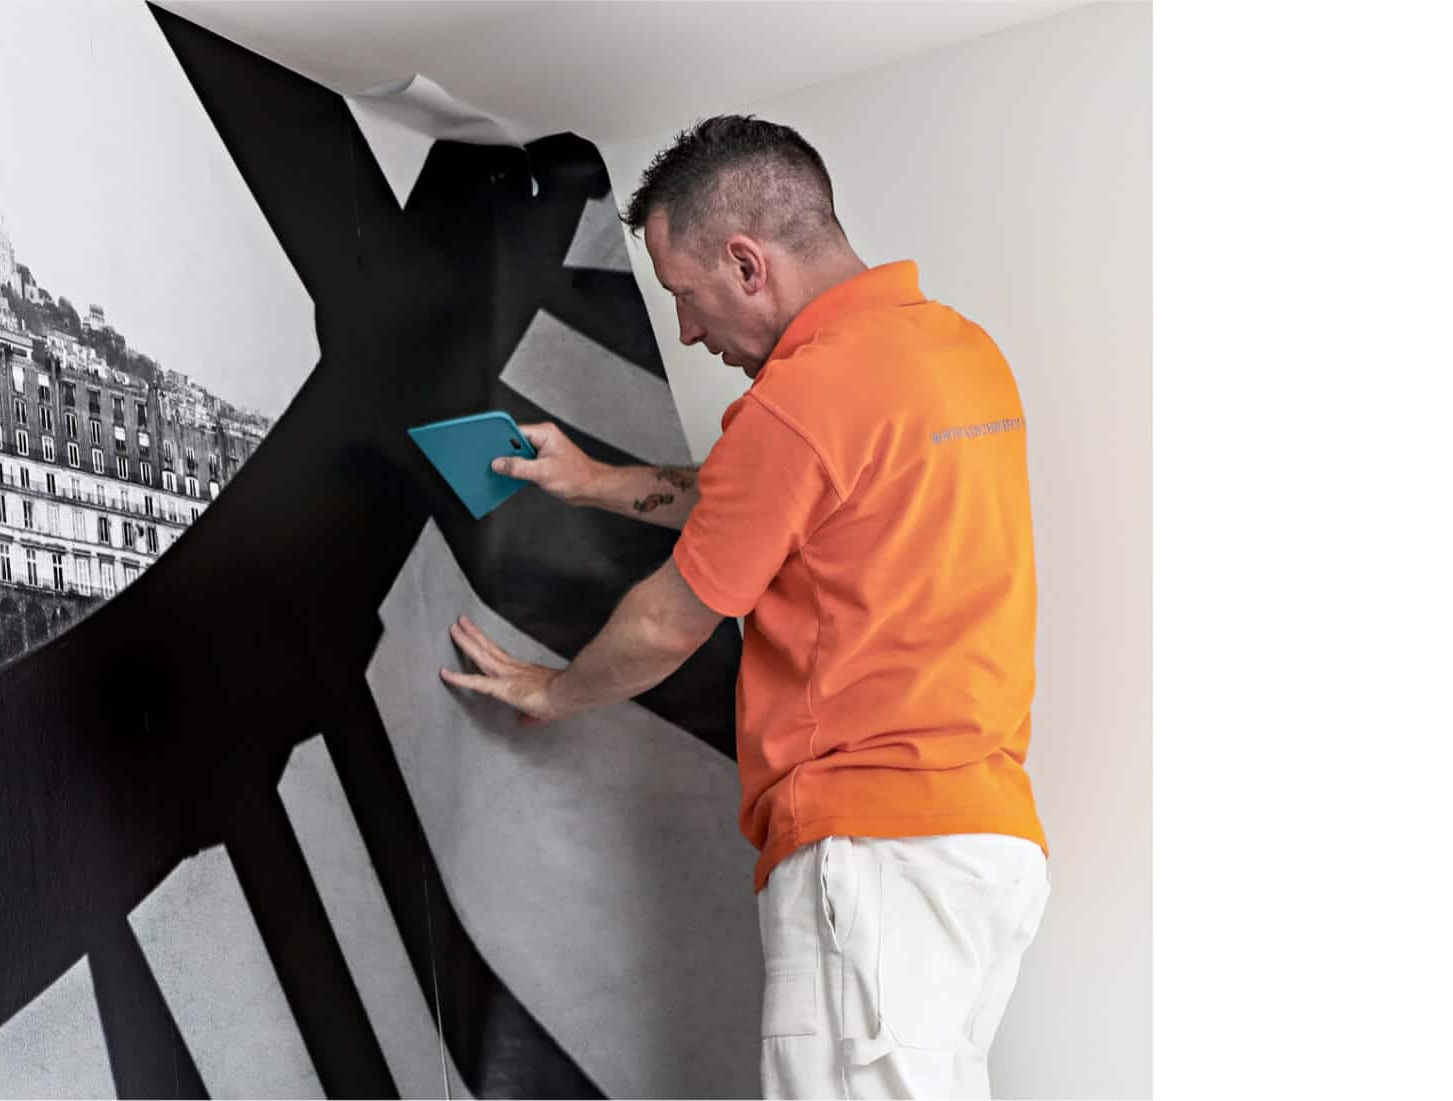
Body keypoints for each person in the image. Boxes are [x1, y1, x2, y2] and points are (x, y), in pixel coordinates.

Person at [438, 115, 1049, 1100]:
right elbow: (775, 496)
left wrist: (553, 692)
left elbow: (664, 622)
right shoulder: (953, 354)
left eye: (686, 295)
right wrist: (595, 481)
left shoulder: (798, 403)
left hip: (869, 853)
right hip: (978, 848)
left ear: (745, 263)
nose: (685, 329)